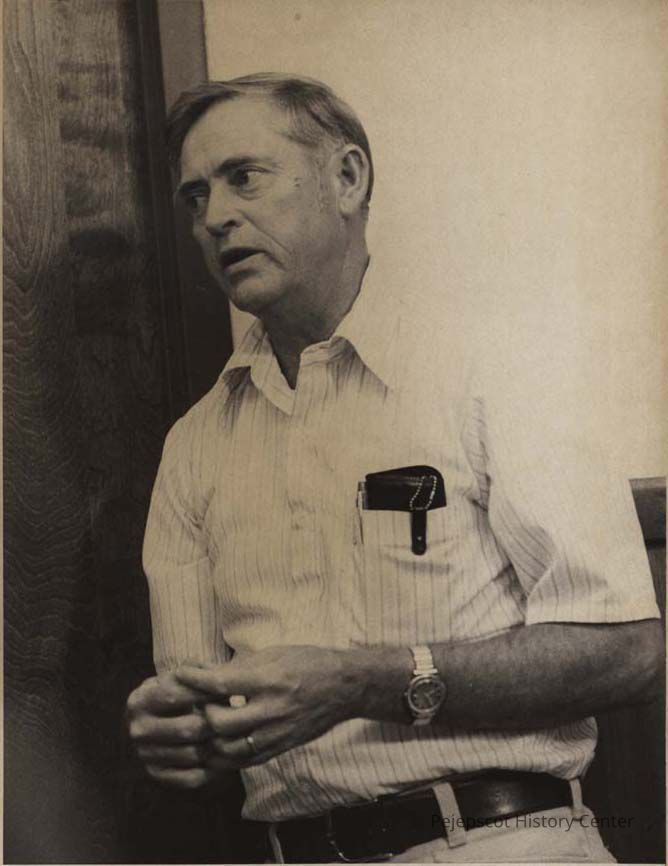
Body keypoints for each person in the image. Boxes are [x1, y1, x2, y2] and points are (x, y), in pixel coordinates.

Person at [126, 73, 663, 863]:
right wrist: (179, 732)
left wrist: (360, 682)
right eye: (195, 198)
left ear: (348, 178)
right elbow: (201, 713)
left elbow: (629, 652)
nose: (215, 218)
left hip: (503, 844)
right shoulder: (194, 446)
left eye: (244, 177)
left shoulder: (496, 366)